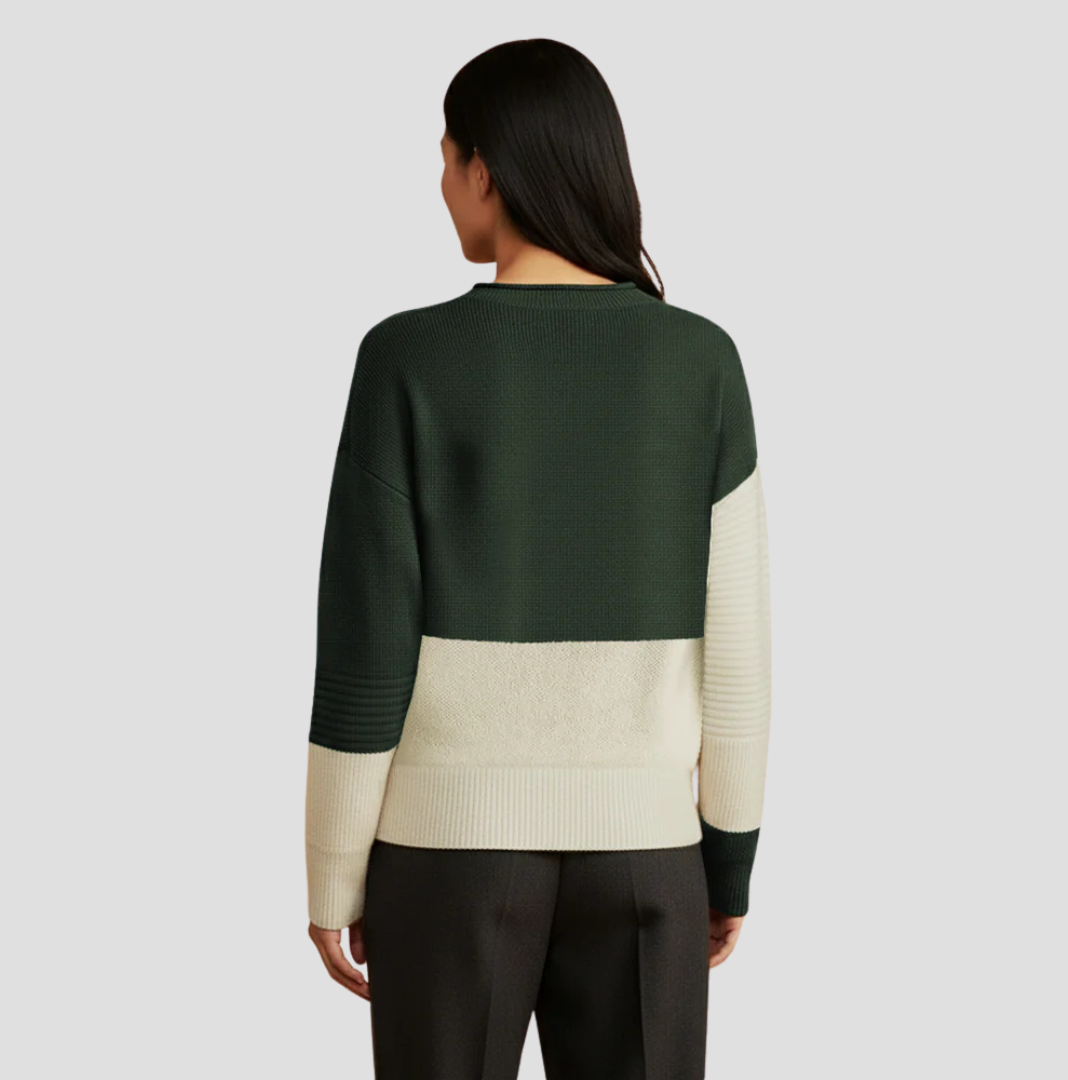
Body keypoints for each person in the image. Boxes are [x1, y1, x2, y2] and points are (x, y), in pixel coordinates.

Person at [303, 37, 771, 1080]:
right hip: (650, 857)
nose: (441, 184)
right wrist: (727, 860)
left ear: (486, 168)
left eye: (444, 157)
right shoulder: (701, 362)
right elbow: (737, 653)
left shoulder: (406, 358)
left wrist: (334, 872)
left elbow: (366, 642)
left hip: (444, 862)